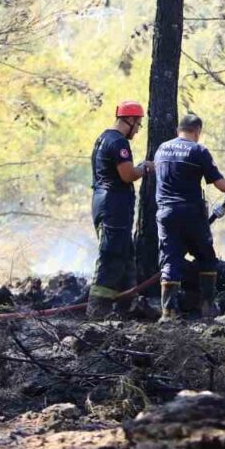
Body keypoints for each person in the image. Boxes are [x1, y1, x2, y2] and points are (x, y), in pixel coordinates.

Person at [154, 112, 225, 321]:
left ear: (178, 130)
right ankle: (208, 307)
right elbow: (220, 185)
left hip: (165, 213)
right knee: (206, 258)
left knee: (170, 260)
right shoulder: (198, 150)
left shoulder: (161, 149)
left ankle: (168, 312)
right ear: (198, 131)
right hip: (191, 213)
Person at [88, 100, 153, 320]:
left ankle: (129, 306)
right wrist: (144, 168)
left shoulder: (103, 138)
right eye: (138, 124)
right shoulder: (119, 143)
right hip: (113, 206)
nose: (138, 129)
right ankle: (98, 310)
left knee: (126, 254)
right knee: (112, 255)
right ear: (130, 120)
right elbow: (127, 175)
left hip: (106, 203)